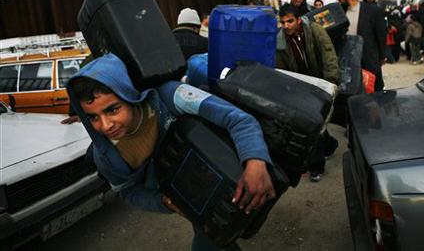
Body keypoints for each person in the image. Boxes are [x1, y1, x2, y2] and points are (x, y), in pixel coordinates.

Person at [67, 53, 276, 251]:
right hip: (189, 195)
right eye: (93, 117)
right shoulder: (106, 156)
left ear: (129, 95)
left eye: (112, 110)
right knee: (212, 235)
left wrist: (255, 161)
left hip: (220, 170)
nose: (105, 125)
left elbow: (237, 119)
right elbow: (127, 191)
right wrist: (162, 202)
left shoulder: (171, 97)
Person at [275, 3, 339, 182]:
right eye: (283, 22)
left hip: (321, 82)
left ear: (298, 19)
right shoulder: (280, 41)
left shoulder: (315, 30)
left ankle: (318, 163)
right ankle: (324, 154)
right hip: (301, 87)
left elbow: (329, 55)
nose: (286, 26)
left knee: (316, 123)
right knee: (313, 124)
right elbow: (281, 69)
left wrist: (332, 80)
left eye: (290, 21)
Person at [338, 0, 386, 91]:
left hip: (368, 56)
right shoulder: (341, 11)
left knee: (373, 88)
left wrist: (382, 55)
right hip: (350, 58)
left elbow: (381, 34)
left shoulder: (372, 10)